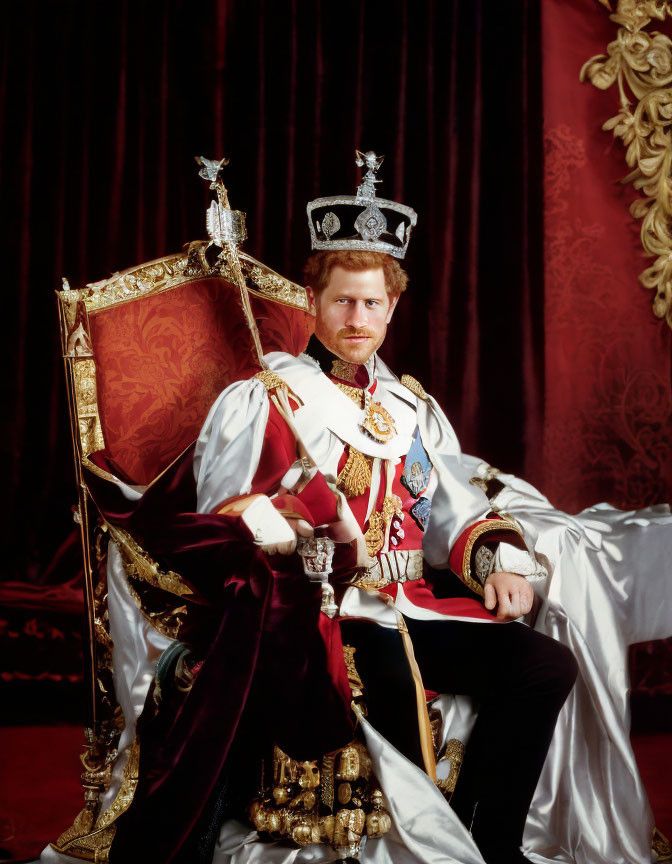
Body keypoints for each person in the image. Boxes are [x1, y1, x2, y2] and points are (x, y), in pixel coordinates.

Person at [192, 151, 578, 864]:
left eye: (373, 303)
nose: (357, 317)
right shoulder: (266, 397)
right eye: (342, 300)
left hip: (412, 604)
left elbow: (455, 511)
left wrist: (499, 564)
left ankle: (486, 842)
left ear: (394, 307)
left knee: (544, 665)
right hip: (319, 611)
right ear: (313, 299)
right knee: (392, 675)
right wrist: (286, 517)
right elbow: (219, 512)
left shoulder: (409, 407)